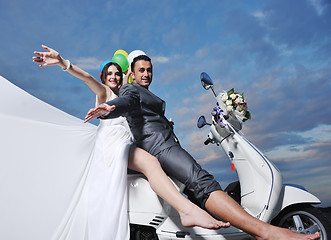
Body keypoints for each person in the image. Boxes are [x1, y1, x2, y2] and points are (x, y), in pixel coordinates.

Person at [85, 54, 321, 240]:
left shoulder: (145, 92)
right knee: (202, 182)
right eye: (141, 71)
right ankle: (265, 232)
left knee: (199, 182)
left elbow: (145, 114)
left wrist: (167, 123)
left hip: (165, 143)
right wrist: (111, 108)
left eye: (149, 70)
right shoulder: (131, 89)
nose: (146, 74)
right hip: (159, 147)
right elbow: (125, 101)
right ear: (131, 75)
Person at [32, 45, 229, 240]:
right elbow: (87, 78)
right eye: (109, 73)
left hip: (127, 145)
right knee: (150, 162)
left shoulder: (128, 96)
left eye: (117, 73)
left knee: (164, 164)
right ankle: (186, 210)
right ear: (103, 77)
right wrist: (63, 62)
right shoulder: (105, 94)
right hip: (113, 146)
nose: (114, 77)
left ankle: (195, 208)